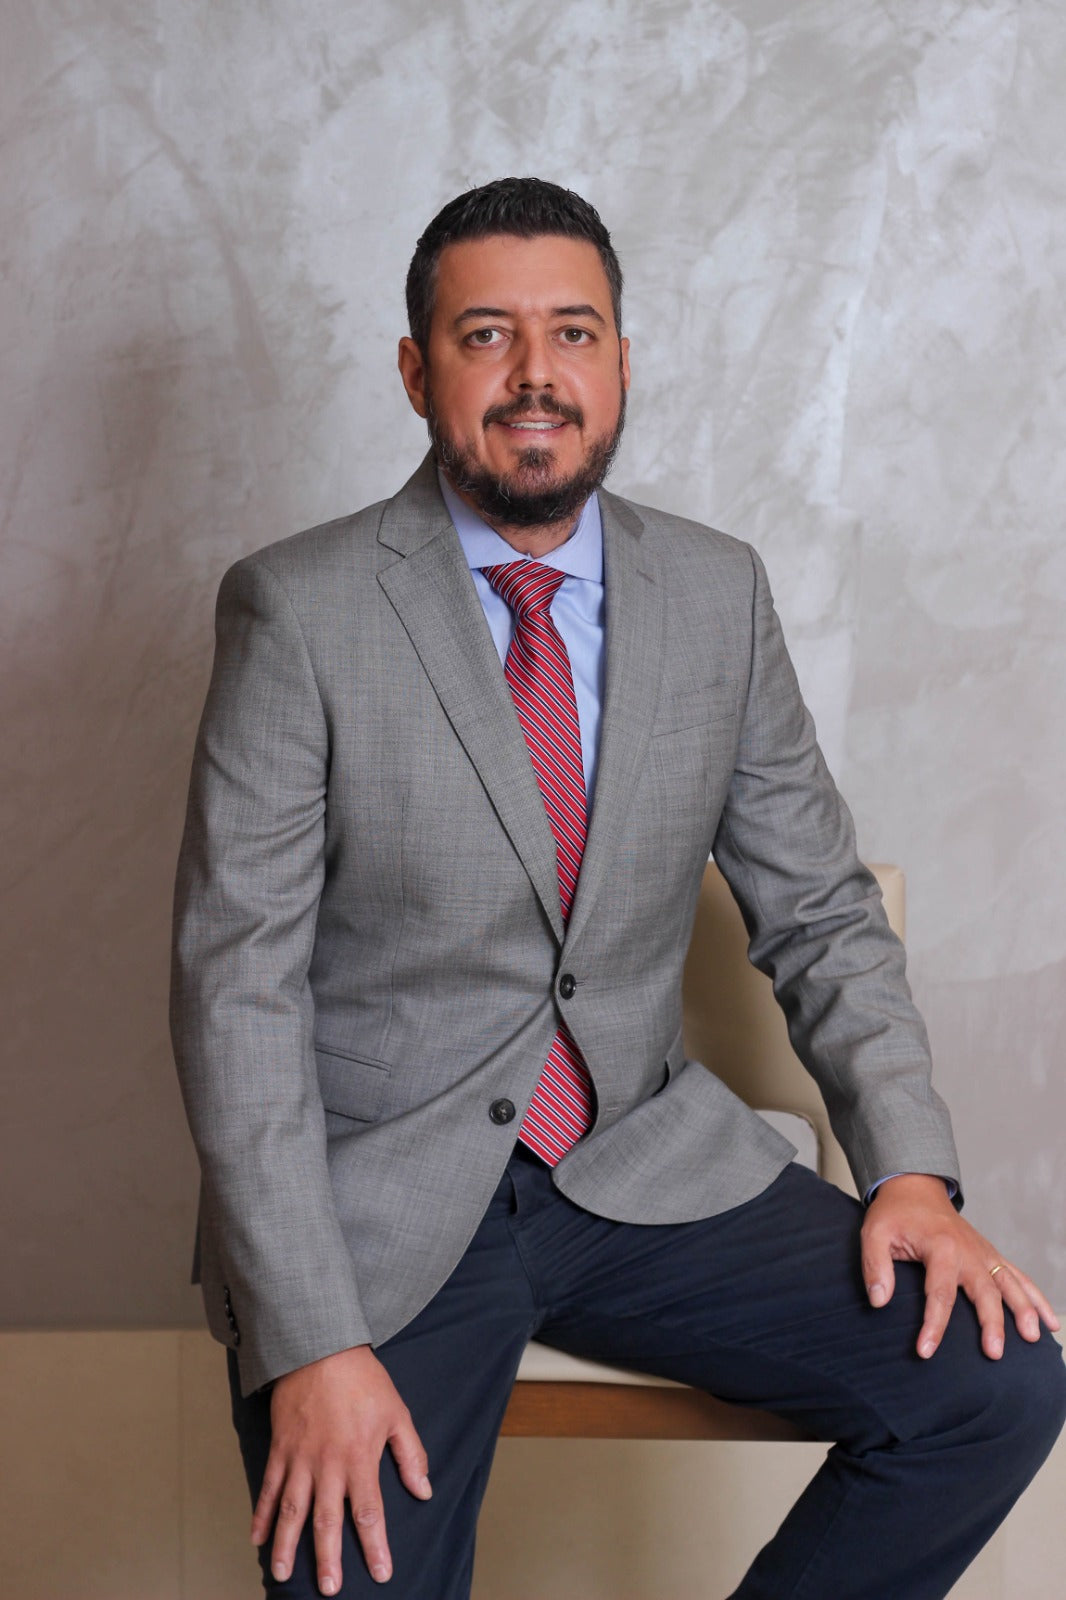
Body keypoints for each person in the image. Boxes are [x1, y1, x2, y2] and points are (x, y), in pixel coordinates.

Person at [171, 177, 1065, 1600]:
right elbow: (238, 997)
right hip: (379, 1199)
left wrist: (908, 1169)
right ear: (415, 369)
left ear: (622, 363)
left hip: (640, 1167)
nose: (536, 373)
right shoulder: (300, 608)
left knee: (995, 1383)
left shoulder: (717, 594)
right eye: (486, 334)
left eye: (573, 332)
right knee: (358, 1571)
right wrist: (312, 1340)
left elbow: (822, 912)